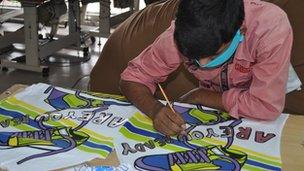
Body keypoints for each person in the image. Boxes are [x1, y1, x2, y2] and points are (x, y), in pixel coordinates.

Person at [119, 0, 293, 136]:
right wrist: (155, 109)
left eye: (214, 55)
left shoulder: (270, 29)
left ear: (241, 30)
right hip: (217, 110)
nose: (202, 65)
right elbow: (131, 78)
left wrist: (201, 95)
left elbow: (265, 106)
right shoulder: (177, 36)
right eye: (192, 57)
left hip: (269, 102)